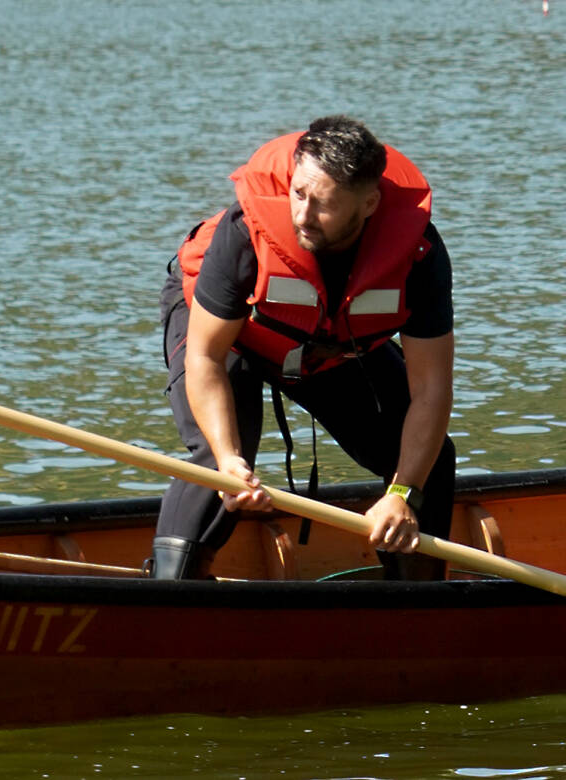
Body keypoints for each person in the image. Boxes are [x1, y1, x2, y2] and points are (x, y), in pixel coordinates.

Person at [151, 115, 455, 580]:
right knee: (222, 455)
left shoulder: (419, 255)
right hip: (228, 334)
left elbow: (430, 390)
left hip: (327, 343)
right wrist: (230, 461)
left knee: (426, 461)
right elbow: (206, 357)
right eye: (298, 194)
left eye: (324, 205)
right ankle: (171, 588)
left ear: (370, 203)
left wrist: (401, 494)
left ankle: (415, 607)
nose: (302, 216)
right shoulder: (245, 231)